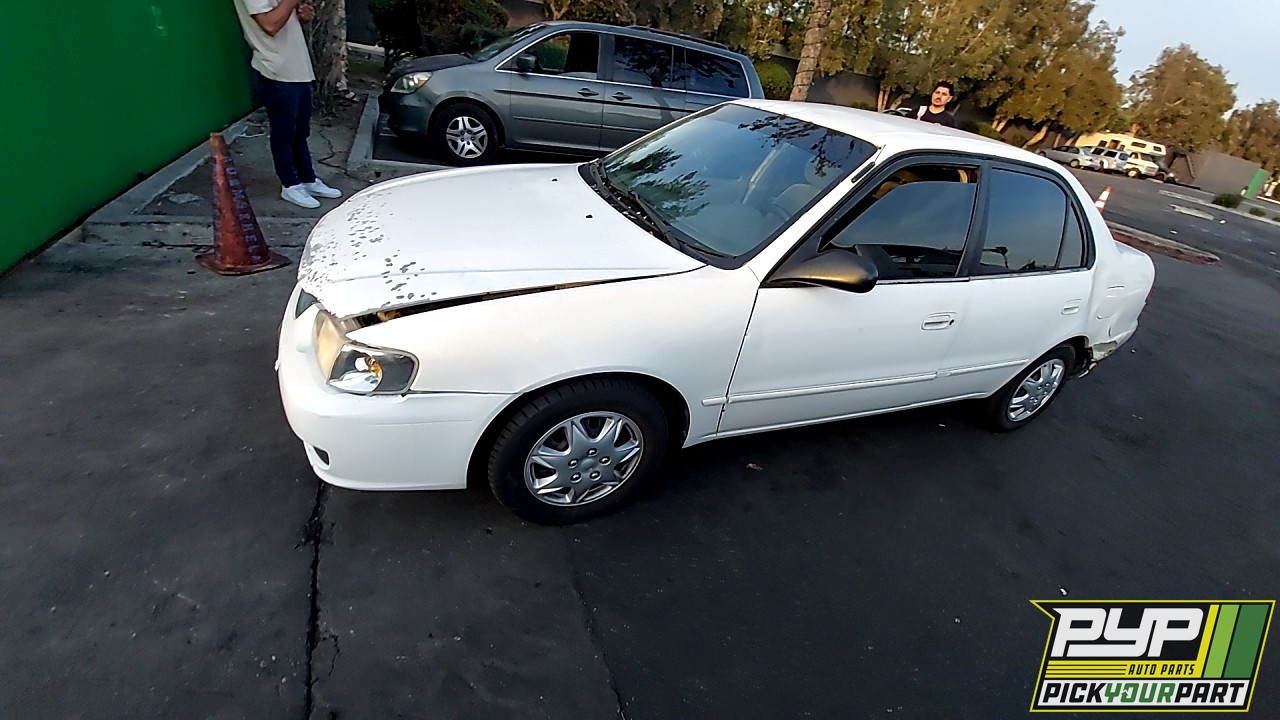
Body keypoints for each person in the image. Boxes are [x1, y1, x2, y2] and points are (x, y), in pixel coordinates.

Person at [231, 0, 343, 209]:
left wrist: (301, 14)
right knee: (284, 132)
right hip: (276, 70)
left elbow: (283, 19)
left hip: (298, 69)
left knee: (300, 132)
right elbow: (270, 25)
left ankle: (308, 180)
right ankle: (290, 185)